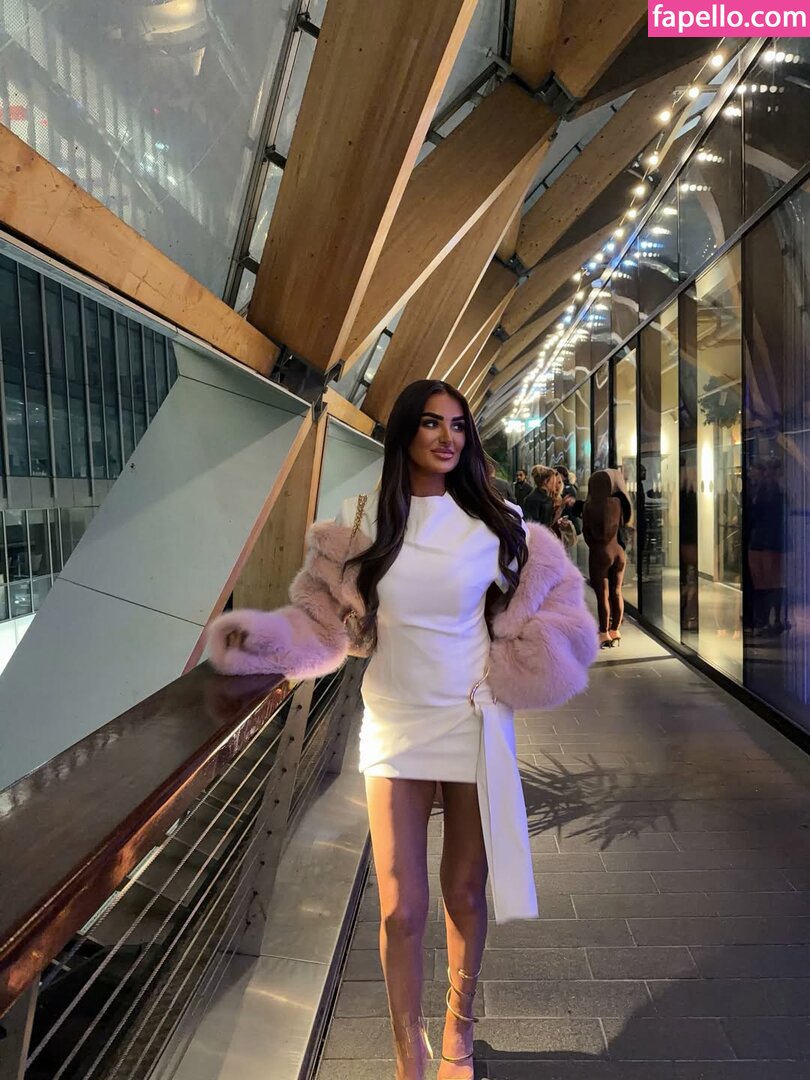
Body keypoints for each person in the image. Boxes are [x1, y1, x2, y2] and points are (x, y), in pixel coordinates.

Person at [207, 380, 597, 1080]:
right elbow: (321, 625)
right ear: (405, 434)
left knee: (465, 893)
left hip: (473, 719)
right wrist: (260, 640)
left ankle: (458, 1031)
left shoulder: (501, 525)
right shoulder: (363, 525)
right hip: (394, 722)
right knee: (399, 910)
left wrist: (525, 661)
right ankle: (406, 1052)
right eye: (431, 424)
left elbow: (560, 607)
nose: (448, 437)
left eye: (458, 425)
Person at [583, 469, 632, 649]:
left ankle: (603, 633)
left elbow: (587, 534)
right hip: (619, 551)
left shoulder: (590, 506)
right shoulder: (619, 503)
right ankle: (615, 630)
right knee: (617, 591)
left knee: (602, 594)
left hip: (600, 552)